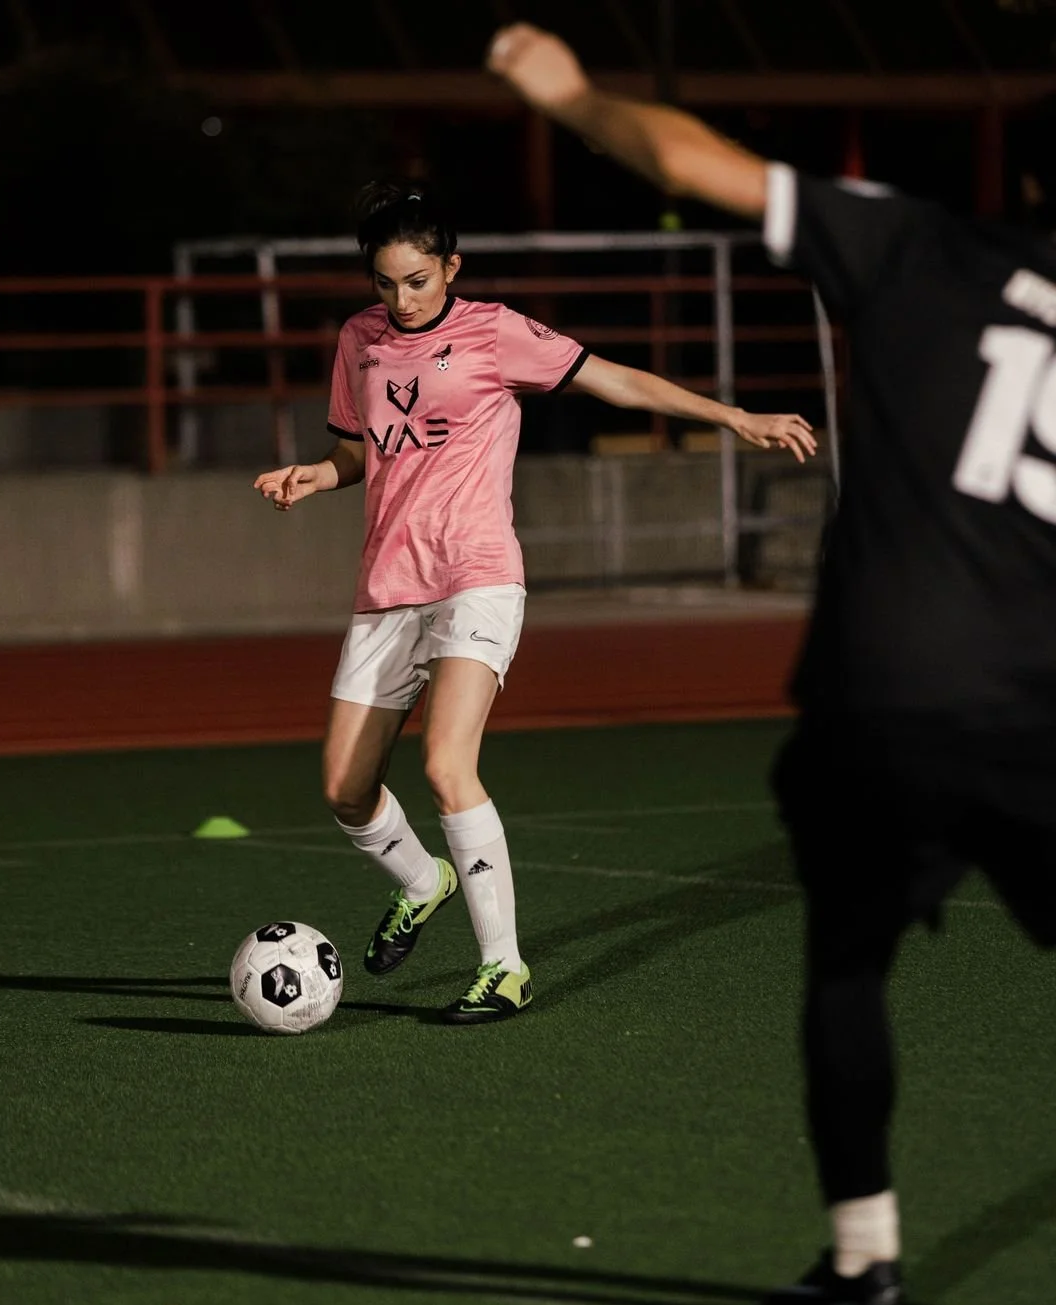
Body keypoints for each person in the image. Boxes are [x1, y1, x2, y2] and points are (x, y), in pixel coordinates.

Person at [488, 21, 1056, 1305]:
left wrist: (571, 97)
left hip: (888, 685)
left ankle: (863, 1262)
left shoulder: (916, 243)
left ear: (1022, 180)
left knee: (848, 964)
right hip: (1042, 700)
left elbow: (703, 158)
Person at [254, 181, 816, 1026]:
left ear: (451, 266)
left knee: (448, 766)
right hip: (388, 585)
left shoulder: (494, 331)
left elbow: (616, 381)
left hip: (478, 572)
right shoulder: (359, 341)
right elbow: (357, 448)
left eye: (417, 279)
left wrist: (733, 416)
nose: (401, 299)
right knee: (343, 787)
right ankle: (423, 881)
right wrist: (318, 474)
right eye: (385, 282)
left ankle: (504, 969)